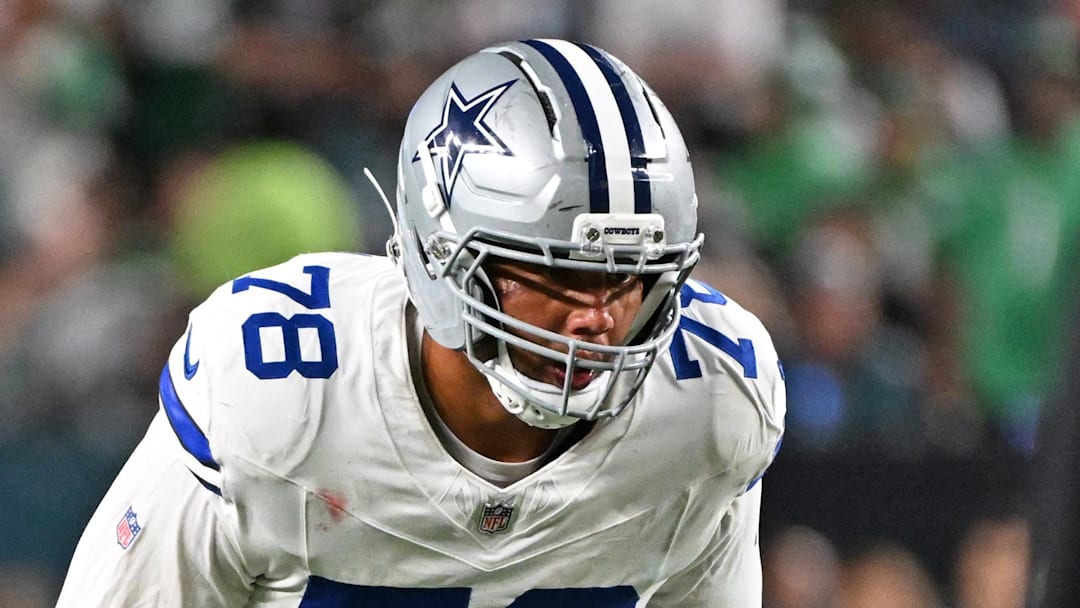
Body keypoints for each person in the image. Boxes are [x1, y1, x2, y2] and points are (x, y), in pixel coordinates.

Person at [56, 39, 786, 607]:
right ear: (441, 254)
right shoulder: (283, 393)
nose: (598, 317)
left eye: (628, 278)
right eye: (559, 274)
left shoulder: (711, 401)